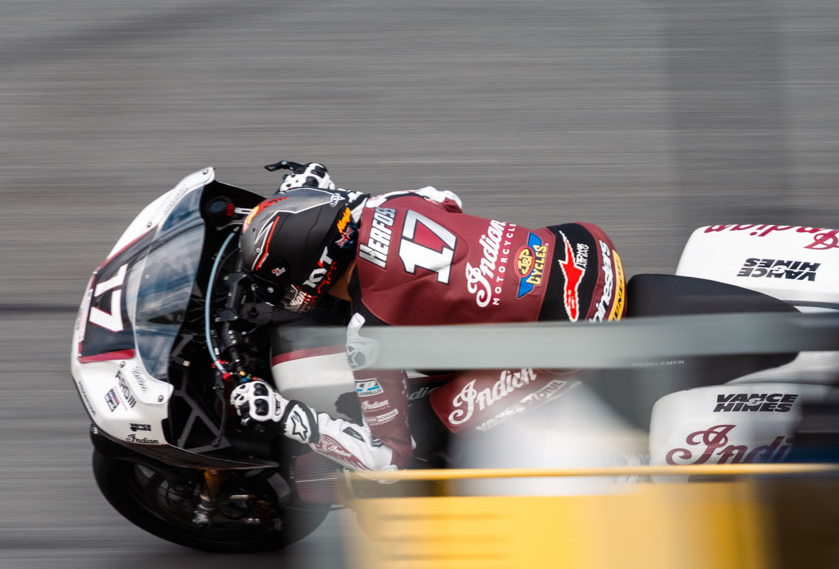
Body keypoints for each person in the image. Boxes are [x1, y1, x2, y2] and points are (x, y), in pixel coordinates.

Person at [225, 160, 626, 471]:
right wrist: (313, 195)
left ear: (310, 272)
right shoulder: (392, 202)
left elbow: (386, 460)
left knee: (425, 430)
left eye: (280, 281)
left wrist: (283, 413)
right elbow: (448, 200)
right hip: (585, 247)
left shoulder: (370, 331)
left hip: (576, 334)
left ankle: (606, 469)